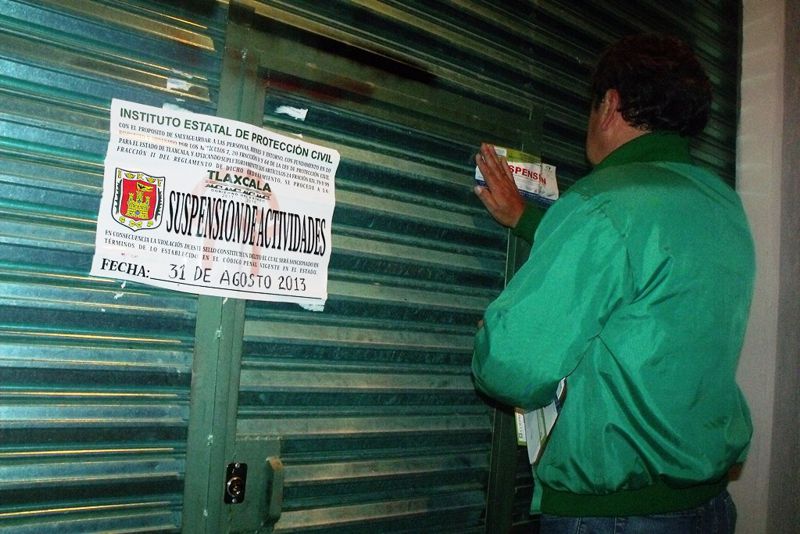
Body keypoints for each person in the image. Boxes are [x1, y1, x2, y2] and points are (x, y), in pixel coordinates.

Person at [471, 34, 754, 533]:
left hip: (616, 517)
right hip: (708, 508)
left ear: (609, 105)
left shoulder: (601, 204)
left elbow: (512, 369)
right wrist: (530, 220)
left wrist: (493, 339)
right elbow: (648, 271)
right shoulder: (721, 204)